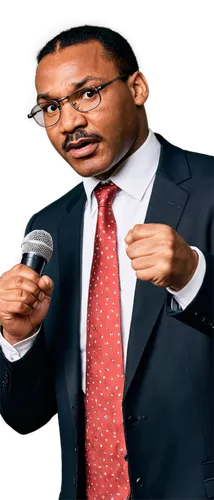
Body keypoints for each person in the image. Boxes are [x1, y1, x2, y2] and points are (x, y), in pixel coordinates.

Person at [0, 24, 214, 500]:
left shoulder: (209, 186)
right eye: (50, 107)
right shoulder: (48, 227)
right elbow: (27, 423)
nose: (68, 122)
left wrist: (196, 278)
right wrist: (19, 340)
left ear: (140, 88)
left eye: (87, 94)